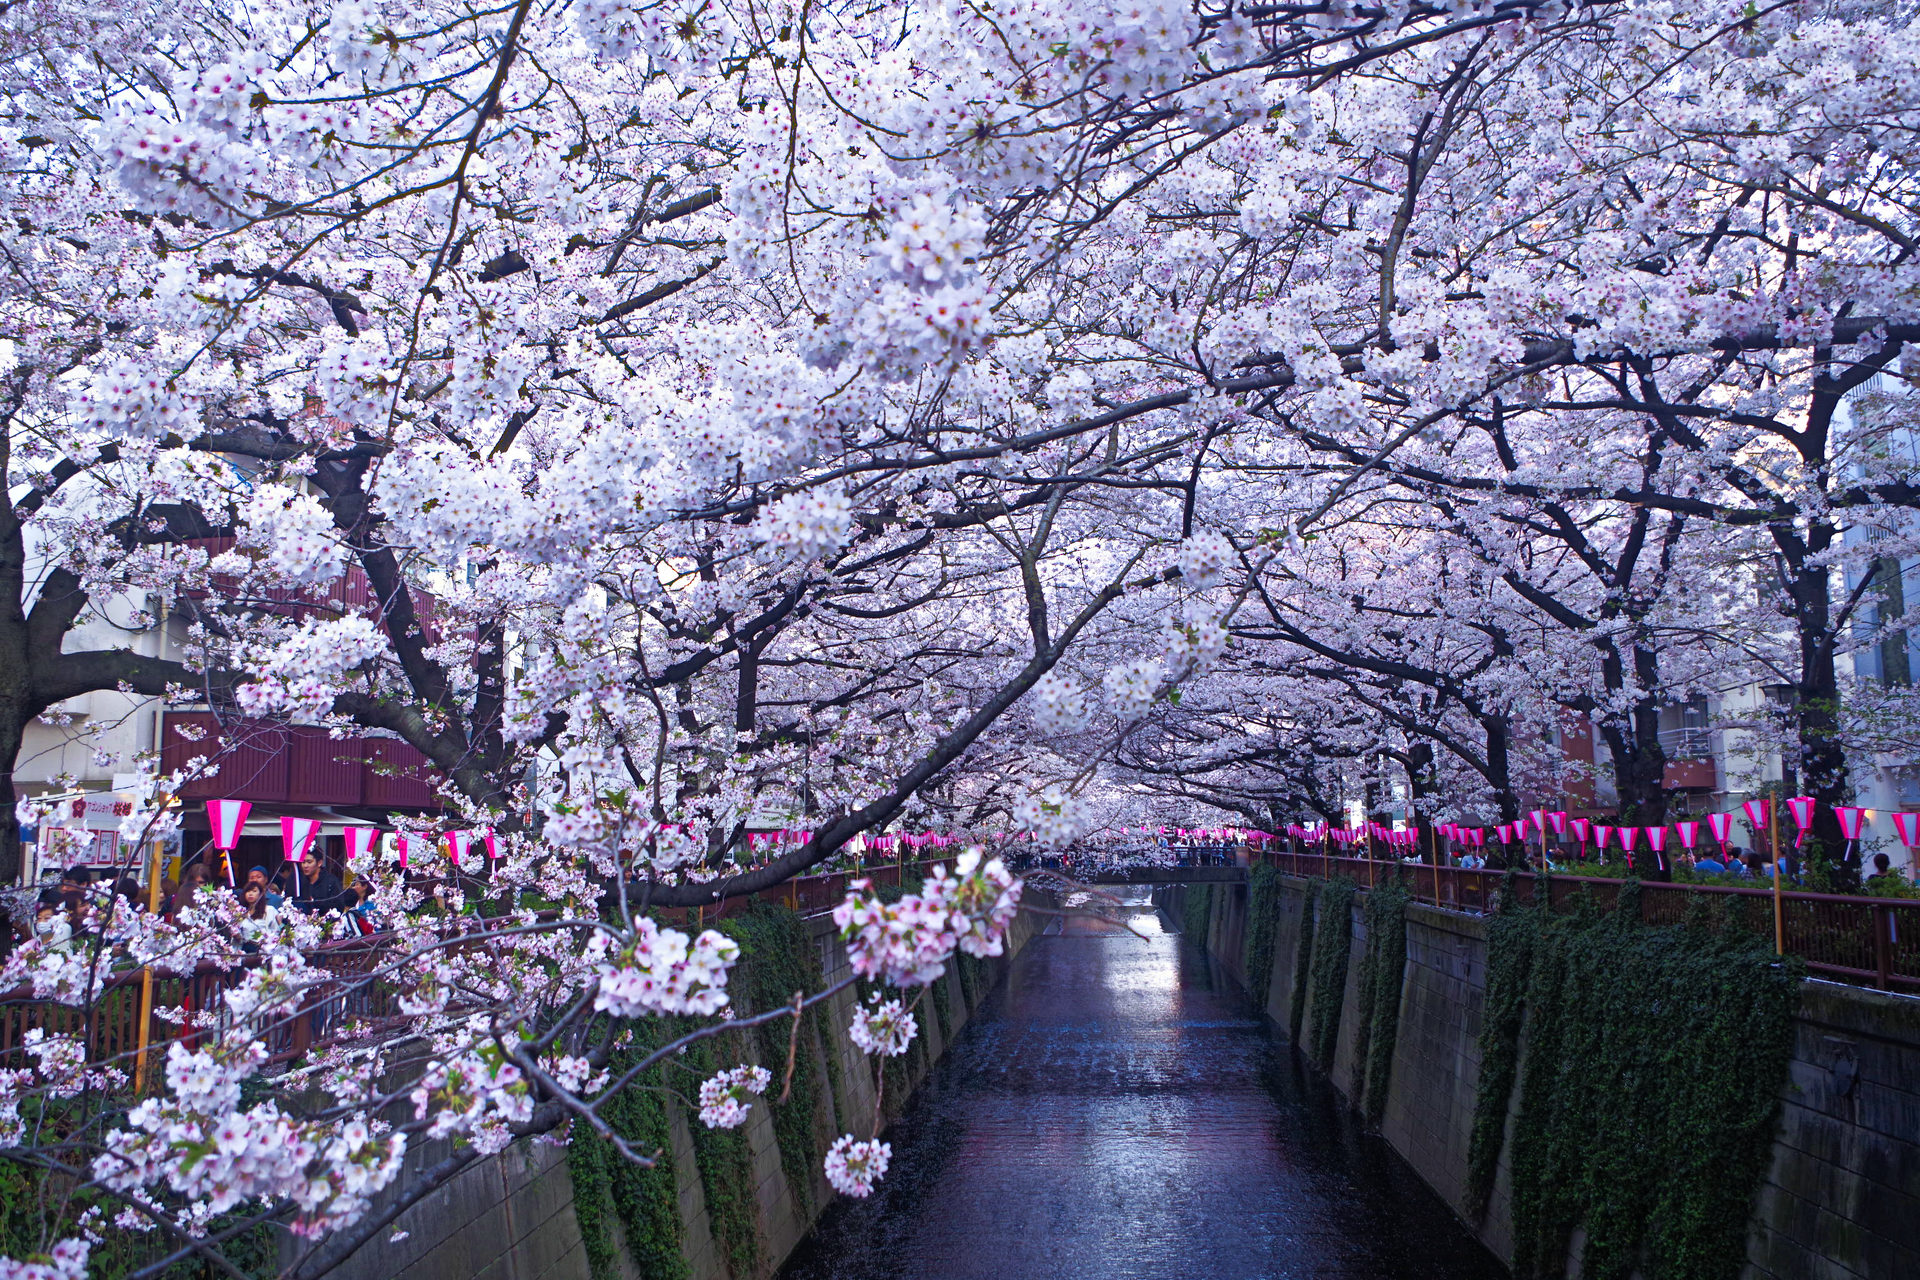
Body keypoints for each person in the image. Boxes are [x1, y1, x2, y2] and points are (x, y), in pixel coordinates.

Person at [282, 849, 353, 913]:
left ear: (319, 863)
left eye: (309, 862)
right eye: (303, 862)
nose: (305, 866)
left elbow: (339, 905)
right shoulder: (298, 882)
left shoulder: (331, 882)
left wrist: (316, 903)